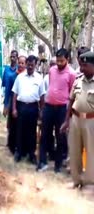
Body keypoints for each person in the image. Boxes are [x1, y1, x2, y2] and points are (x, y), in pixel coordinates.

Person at [37, 49, 76, 173]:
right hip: (48, 107)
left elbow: (72, 94)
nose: (59, 63)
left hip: (61, 109)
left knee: (60, 137)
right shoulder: (52, 70)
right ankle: (42, 162)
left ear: (67, 59)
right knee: (44, 136)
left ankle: (58, 165)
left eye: (62, 61)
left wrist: (68, 115)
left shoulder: (71, 73)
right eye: (57, 61)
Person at [60, 51, 94, 194]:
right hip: (75, 119)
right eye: (81, 65)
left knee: (91, 153)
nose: (81, 68)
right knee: (74, 151)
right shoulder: (78, 80)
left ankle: (89, 183)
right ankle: (76, 180)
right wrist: (66, 121)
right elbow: (71, 100)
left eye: (85, 65)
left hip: (91, 121)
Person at [12, 55, 45, 163]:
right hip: (21, 106)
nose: (30, 67)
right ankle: (19, 153)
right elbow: (15, 94)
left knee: (32, 132)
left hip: (33, 107)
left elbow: (42, 96)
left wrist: (41, 110)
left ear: (36, 65)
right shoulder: (20, 77)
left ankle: (32, 154)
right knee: (20, 130)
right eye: (29, 64)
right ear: (26, 64)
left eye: (32, 65)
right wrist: (14, 109)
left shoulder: (39, 78)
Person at [4, 55, 26, 154]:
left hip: (23, 105)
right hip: (13, 103)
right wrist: (6, 106)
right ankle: (12, 147)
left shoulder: (27, 76)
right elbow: (8, 92)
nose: (21, 65)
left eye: (23, 63)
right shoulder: (12, 76)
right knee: (12, 126)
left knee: (21, 127)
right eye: (19, 63)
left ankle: (21, 146)